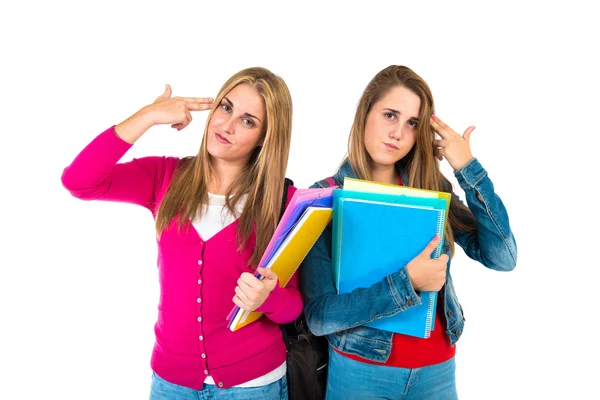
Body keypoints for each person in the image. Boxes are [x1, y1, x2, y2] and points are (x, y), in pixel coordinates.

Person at [61, 67, 301, 399]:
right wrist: (146, 116)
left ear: (265, 137)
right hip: (170, 383)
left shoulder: (285, 202)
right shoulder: (164, 176)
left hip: (252, 385)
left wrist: (269, 299)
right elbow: (80, 181)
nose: (226, 126)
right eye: (225, 107)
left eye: (248, 121)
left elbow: (296, 306)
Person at [300, 65, 517, 399]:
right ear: (365, 113)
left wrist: (468, 169)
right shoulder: (325, 198)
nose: (398, 133)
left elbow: (502, 257)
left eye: (412, 123)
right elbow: (320, 316)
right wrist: (407, 283)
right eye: (390, 115)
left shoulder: (430, 188)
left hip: (438, 372)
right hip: (361, 372)